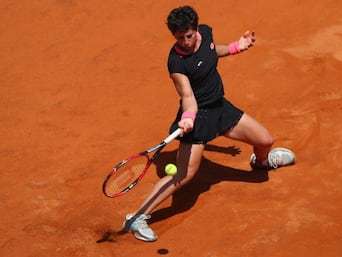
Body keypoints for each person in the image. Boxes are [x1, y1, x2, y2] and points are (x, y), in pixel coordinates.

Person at [122, 5, 296, 242]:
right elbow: (187, 97)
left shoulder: (206, 33)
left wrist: (236, 47)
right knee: (184, 174)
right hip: (198, 117)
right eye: (179, 37)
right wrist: (188, 118)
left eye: (189, 35)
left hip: (220, 108)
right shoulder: (176, 63)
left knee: (265, 140)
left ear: (196, 28)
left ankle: (262, 162)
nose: (185, 41)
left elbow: (214, 51)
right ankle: (136, 218)